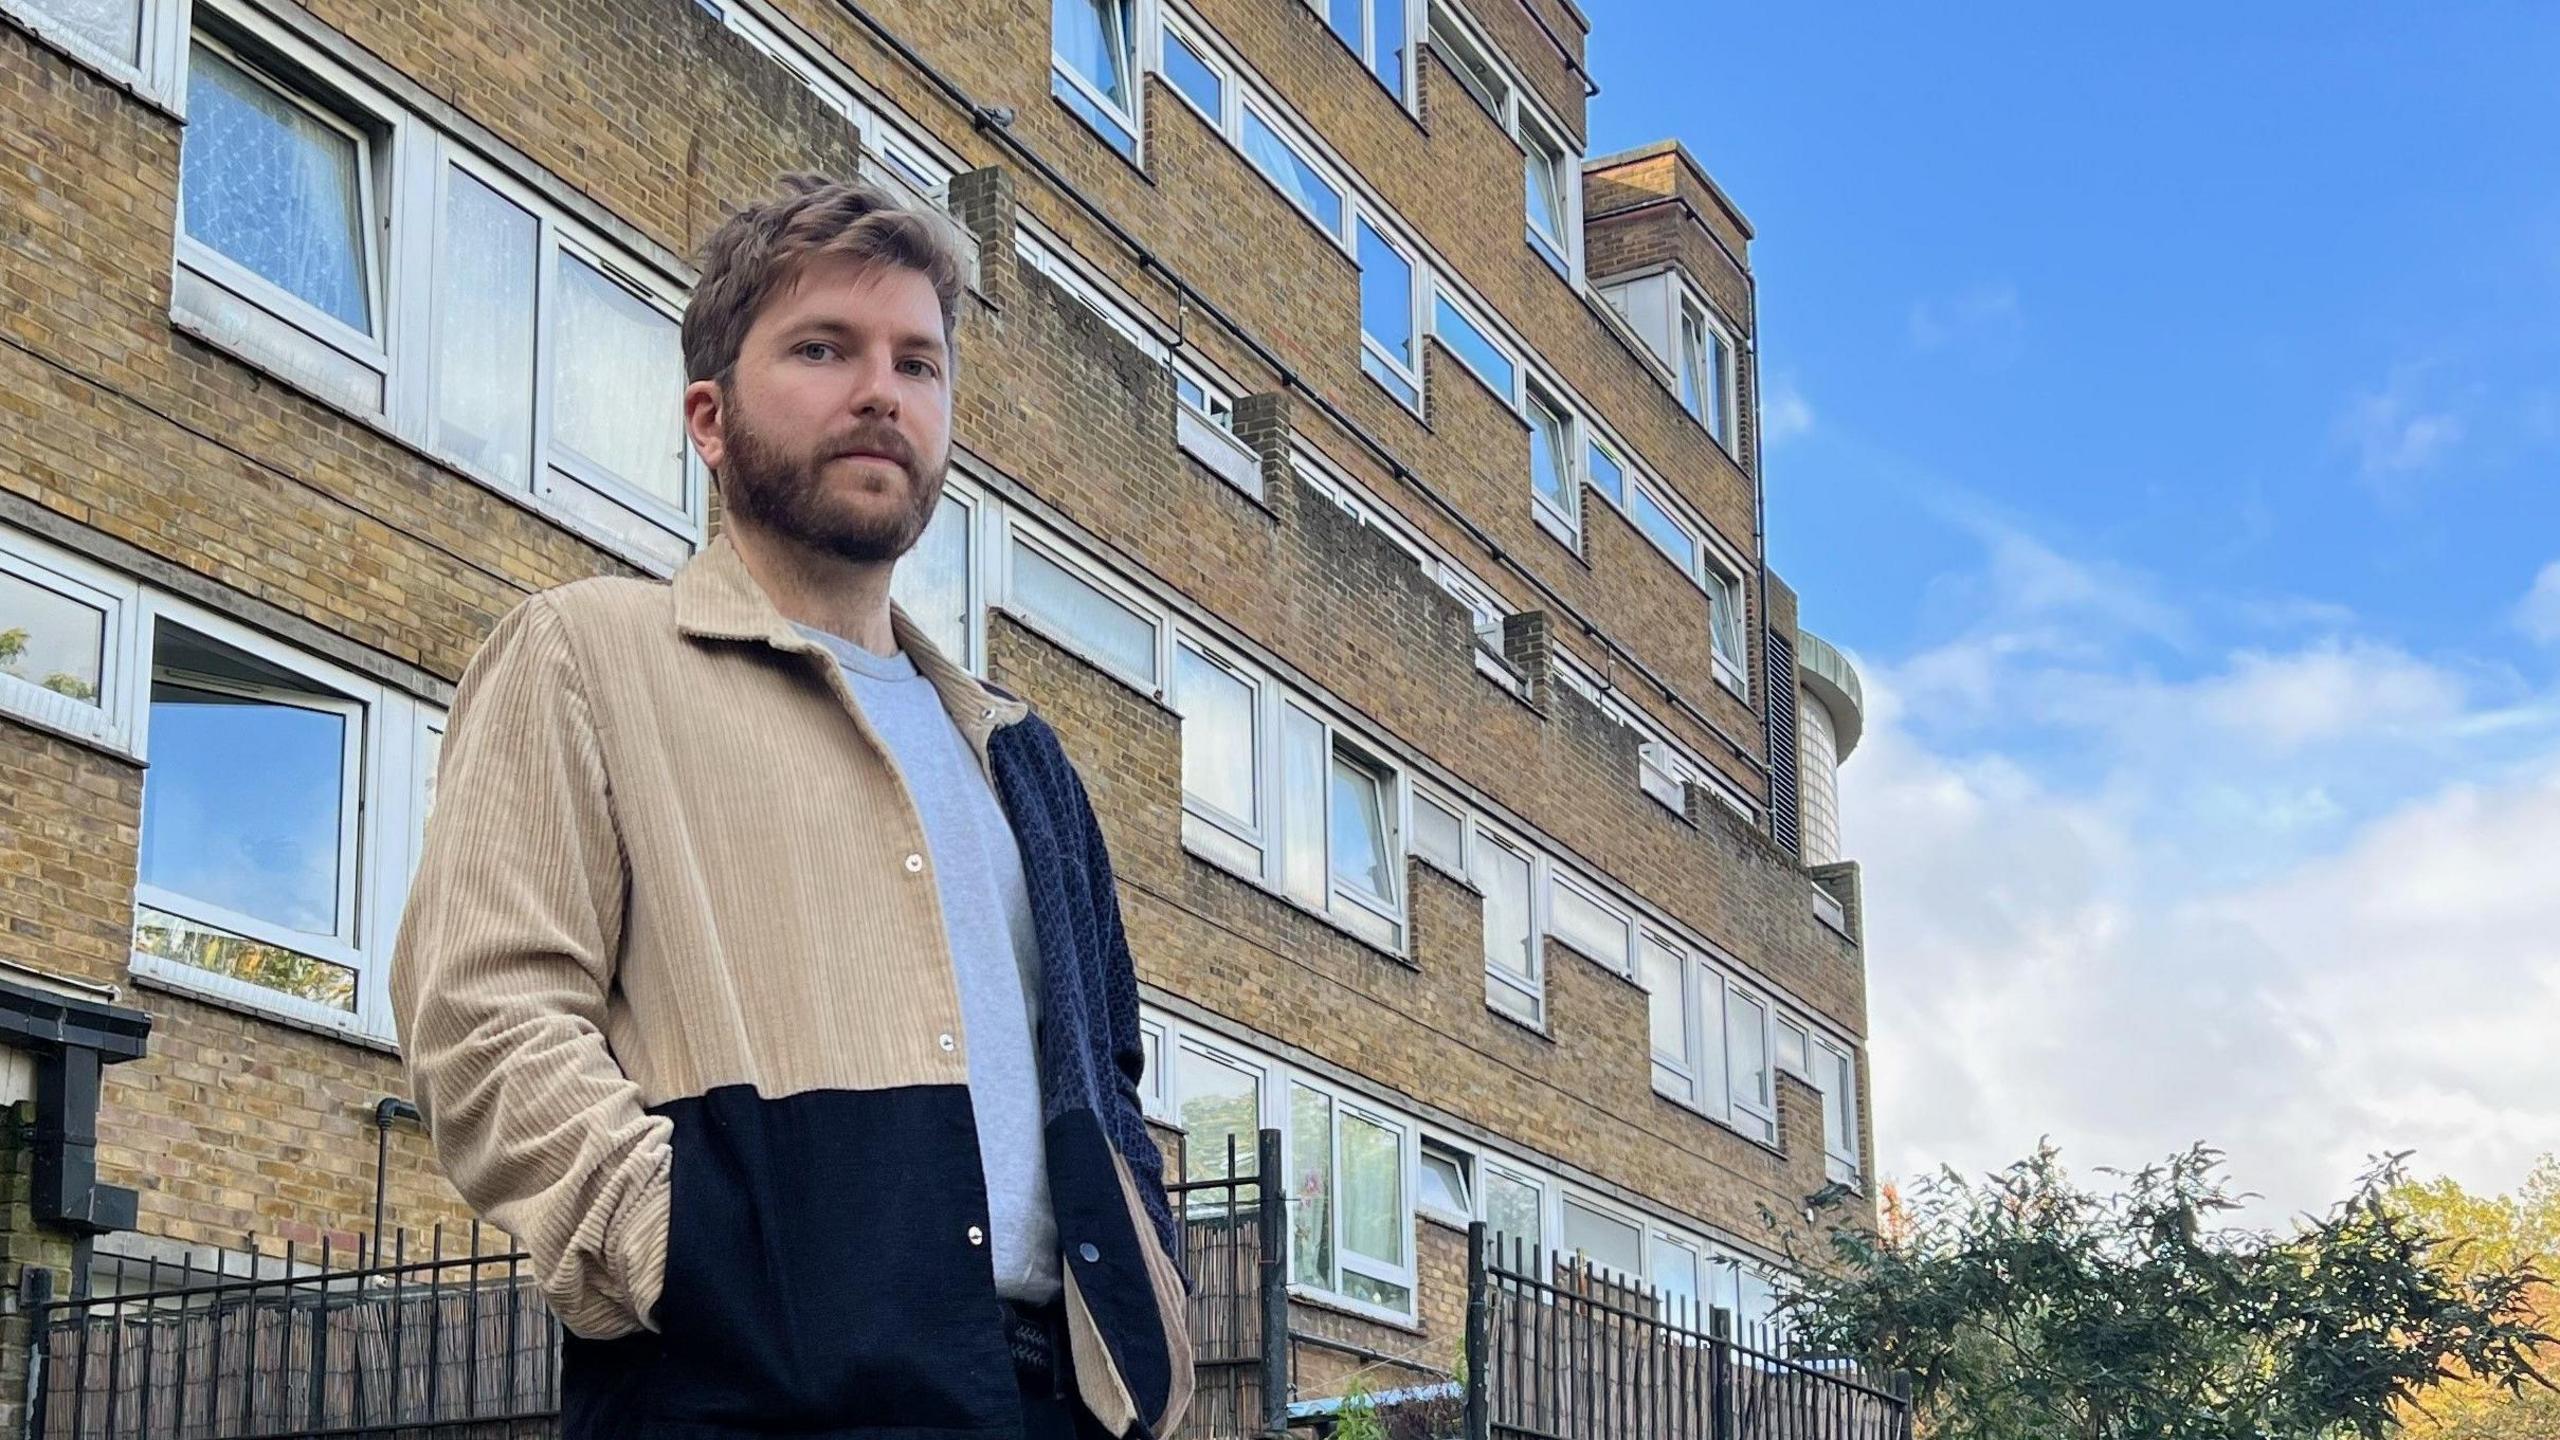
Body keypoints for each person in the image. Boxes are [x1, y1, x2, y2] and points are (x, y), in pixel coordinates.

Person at [391, 174, 1193, 1440]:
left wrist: (1152, 1318)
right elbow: (483, 1018)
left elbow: (1110, 1078)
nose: (882, 390)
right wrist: (688, 1258)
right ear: (709, 419)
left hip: (1055, 1402)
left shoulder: (1024, 757)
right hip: (743, 1393)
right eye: (824, 349)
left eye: (917, 364)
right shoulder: (587, 656)